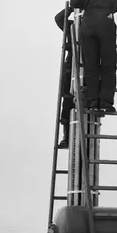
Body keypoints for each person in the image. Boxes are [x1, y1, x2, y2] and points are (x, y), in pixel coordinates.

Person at [58, 0, 117, 113]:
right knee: (108, 65)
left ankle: (93, 101)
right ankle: (106, 102)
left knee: (90, 65)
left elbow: (75, 2)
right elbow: (116, 7)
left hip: (89, 25)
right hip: (107, 23)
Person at [54, 8, 74, 149]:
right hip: (71, 68)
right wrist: (72, 6)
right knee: (67, 101)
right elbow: (59, 18)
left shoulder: (90, 24)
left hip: (87, 69)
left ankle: (75, 139)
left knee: (83, 104)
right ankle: (67, 137)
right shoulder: (73, 26)